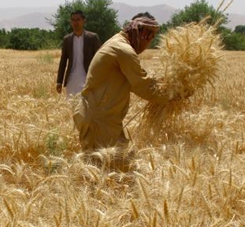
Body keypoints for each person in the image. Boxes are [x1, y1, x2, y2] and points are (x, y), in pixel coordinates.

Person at [72, 13, 170, 151]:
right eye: (150, 37)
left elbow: (138, 78)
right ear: (141, 34)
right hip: (99, 121)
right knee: (105, 167)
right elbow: (143, 86)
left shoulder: (117, 43)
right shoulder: (123, 50)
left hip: (104, 118)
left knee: (119, 165)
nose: (149, 43)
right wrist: (174, 93)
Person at [56, 10, 101, 97]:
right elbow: (63, 61)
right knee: (72, 107)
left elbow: (99, 59)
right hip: (71, 81)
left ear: (84, 21)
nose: (75, 22)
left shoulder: (92, 38)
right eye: (73, 20)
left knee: (87, 107)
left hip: (88, 79)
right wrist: (59, 81)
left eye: (78, 20)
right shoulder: (67, 39)